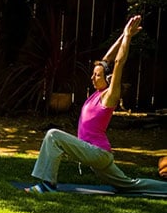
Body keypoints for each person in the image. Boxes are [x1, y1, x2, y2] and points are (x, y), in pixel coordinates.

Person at [26, 14, 167, 195]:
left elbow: (118, 62)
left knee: (53, 136)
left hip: (97, 153)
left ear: (108, 78)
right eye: (93, 74)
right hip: (96, 155)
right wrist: (123, 34)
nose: (93, 77)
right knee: (129, 185)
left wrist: (129, 38)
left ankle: (47, 185)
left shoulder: (109, 95)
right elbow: (107, 60)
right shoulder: (97, 93)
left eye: (97, 75)